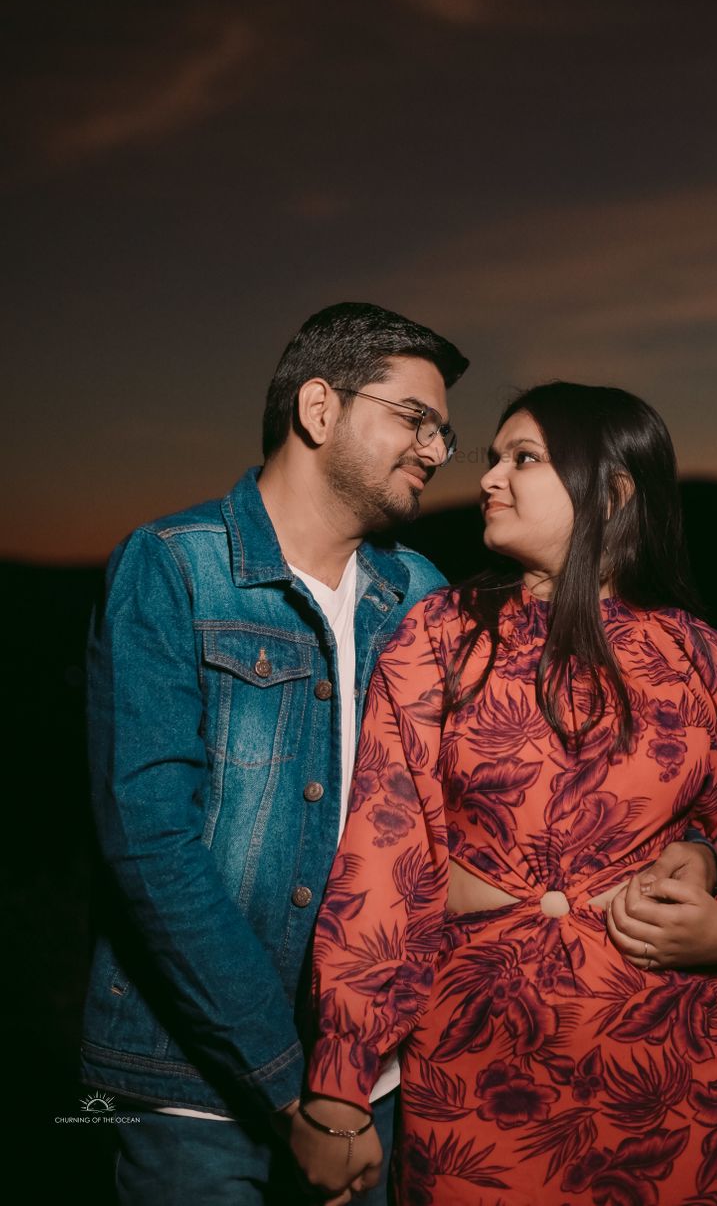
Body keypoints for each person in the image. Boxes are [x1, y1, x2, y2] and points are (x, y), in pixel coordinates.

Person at [291, 381, 717, 1205]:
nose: (488, 477)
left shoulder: (707, 661)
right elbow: (384, 857)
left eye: (523, 458)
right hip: (481, 1071)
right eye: (490, 458)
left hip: (670, 1074)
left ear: (614, 492)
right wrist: (340, 1084)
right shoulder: (441, 637)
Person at [82, 302, 470, 1206]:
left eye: (444, 434)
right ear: (320, 408)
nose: (434, 448)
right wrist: (294, 1090)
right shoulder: (174, 565)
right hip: (191, 1094)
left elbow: (478, 801)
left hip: (373, 1086)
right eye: (416, 419)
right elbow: (148, 845)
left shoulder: (421, 593)